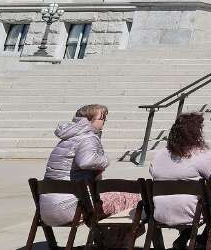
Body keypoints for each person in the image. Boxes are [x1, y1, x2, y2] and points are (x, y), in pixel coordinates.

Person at [39, 104, 141, 246]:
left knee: (108, 200)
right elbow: (86, 161)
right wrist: (105, 161)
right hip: (70, 208)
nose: (104, 121)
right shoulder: (88, 137)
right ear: (88, 120)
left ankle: (107, 239)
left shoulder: (67, 138)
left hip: (47, 209)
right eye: (102, 117)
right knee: (136, 200)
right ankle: (114, 243)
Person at [148, 112, 211, 247]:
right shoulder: (200, 154)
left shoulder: (159, 155)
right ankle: (201, 241)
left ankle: (185, 238)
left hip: (161, 212)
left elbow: (152, 172)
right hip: (191, 213)